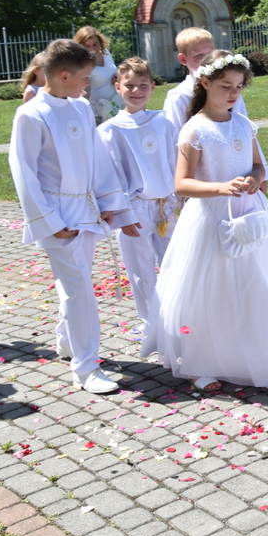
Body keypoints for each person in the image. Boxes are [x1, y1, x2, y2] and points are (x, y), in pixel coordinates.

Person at [153, 51, 268, 397]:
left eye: (239, 87)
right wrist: (221, 187)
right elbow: (182, 183)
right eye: (225, 86)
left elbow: (259, 167)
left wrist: (255, 179)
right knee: (213, 294)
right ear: (205, 82)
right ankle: (201, 362)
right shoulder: (194, 129)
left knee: (262, 289)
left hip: (251, 216)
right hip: (211, 220)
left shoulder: (243, 124)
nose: (233, 93)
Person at [8, 39, 138, 394]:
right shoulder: (31, 114)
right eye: (84, 77)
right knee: (80, 290)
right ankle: (85, 367)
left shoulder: (80, 107)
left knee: (76, 283)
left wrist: (111, 203)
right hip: (59, 216)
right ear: (64, 75)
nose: (89, 83)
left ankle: (67, 341)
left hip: (87, 211)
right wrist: (49, 221)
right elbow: (23, 172)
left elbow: (97, 158)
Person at [98, 58, 179, 357]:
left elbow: (175, 161)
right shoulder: (109, 130)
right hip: (134, 208)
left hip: (167, 205)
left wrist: (181, 200)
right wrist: (122, 214)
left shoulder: (164, 123)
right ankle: (150, 324)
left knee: (174, 263)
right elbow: (110, 175)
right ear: (117, 87)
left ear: (152, 87)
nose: (136, 91)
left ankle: (176, 318)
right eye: (129, 85)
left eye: (143, 85)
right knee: (142, 270)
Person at [163, 27, 247, 132]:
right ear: (183, 59)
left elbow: (244, 126)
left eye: (210, 53)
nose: (207, 59)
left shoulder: (232, 91)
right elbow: (173, 136)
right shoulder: (179, 97)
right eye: (199, 55)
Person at [74, 27, 123, 125]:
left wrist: (118, 78)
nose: (92, 49)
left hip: (114, 108)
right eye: (87, 46)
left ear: (100, 42)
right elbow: (84, 92)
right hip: (97, 114)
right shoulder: (82, 65)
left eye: (95, 44)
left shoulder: (106, 53)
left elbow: (111, 71)